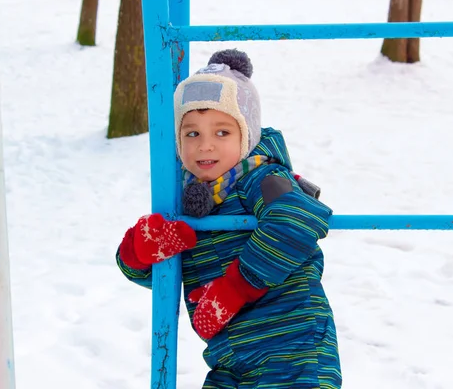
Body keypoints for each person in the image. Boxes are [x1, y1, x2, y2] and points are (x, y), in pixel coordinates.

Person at [116, 49, 342, 388]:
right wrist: (138, 254)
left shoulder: (263, 178)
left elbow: (295, 217)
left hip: (294, 352)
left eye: (222, 132)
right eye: (192, 134)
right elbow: (163, 276)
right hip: (229, 362)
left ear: (246, 137)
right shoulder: (183, 200)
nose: (205, 146)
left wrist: (236, 287)